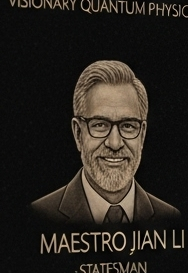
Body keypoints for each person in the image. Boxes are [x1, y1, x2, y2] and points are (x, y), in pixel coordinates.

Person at [31, 60, 179, 223]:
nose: (115, 143)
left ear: (142, 135)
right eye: (100, 125)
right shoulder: (37, 217)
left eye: (128, 125)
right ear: (78, 133)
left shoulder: (170, 219)